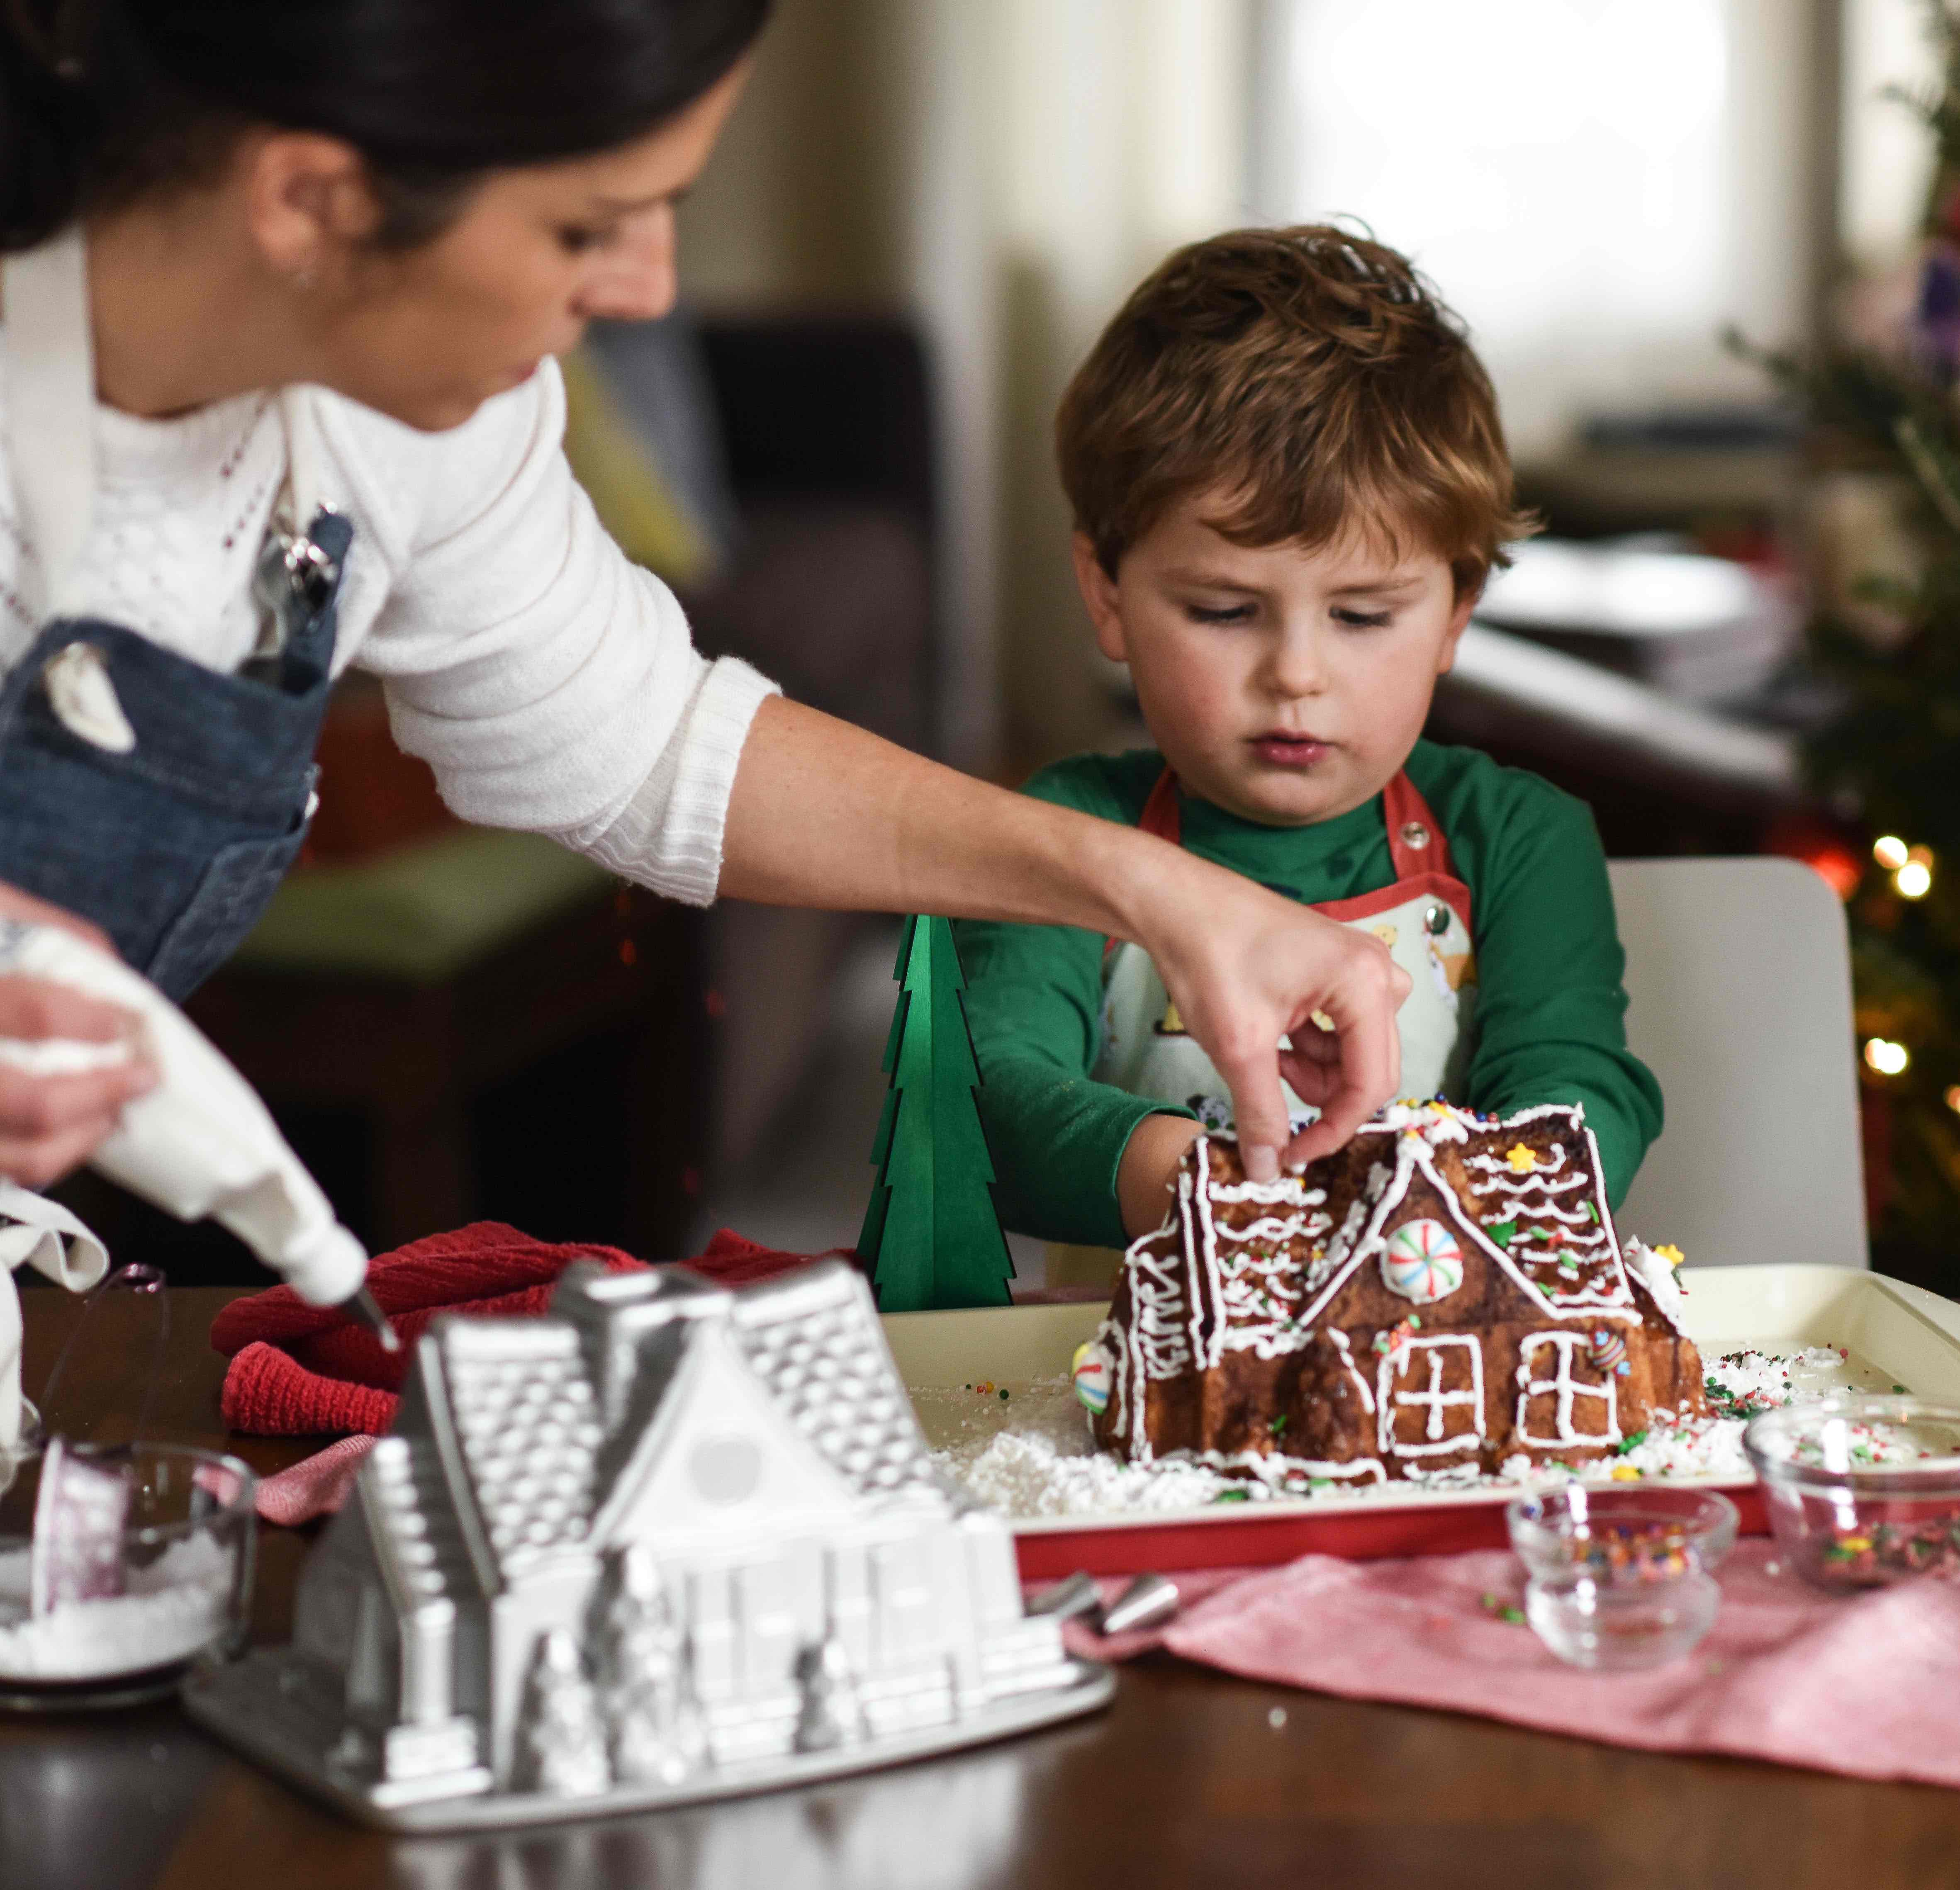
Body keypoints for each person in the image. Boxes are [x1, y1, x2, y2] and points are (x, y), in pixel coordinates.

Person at [0, 1, 1405, 1203]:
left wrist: (1159, 893)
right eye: (589, 225)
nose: (649, 285)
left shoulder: (404, 418)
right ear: (310, 200)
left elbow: (643, 738)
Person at [952, 227, 1663, 1268]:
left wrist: (1472, 1201)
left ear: (1458, 610)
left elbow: (1578, 1084)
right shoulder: (1069, 832)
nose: (1296, 673)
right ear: (1107, 592)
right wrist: (1214, 1188)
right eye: (1225, 609)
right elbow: (992, 1101)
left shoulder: (1516, 837)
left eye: (1364, 617)